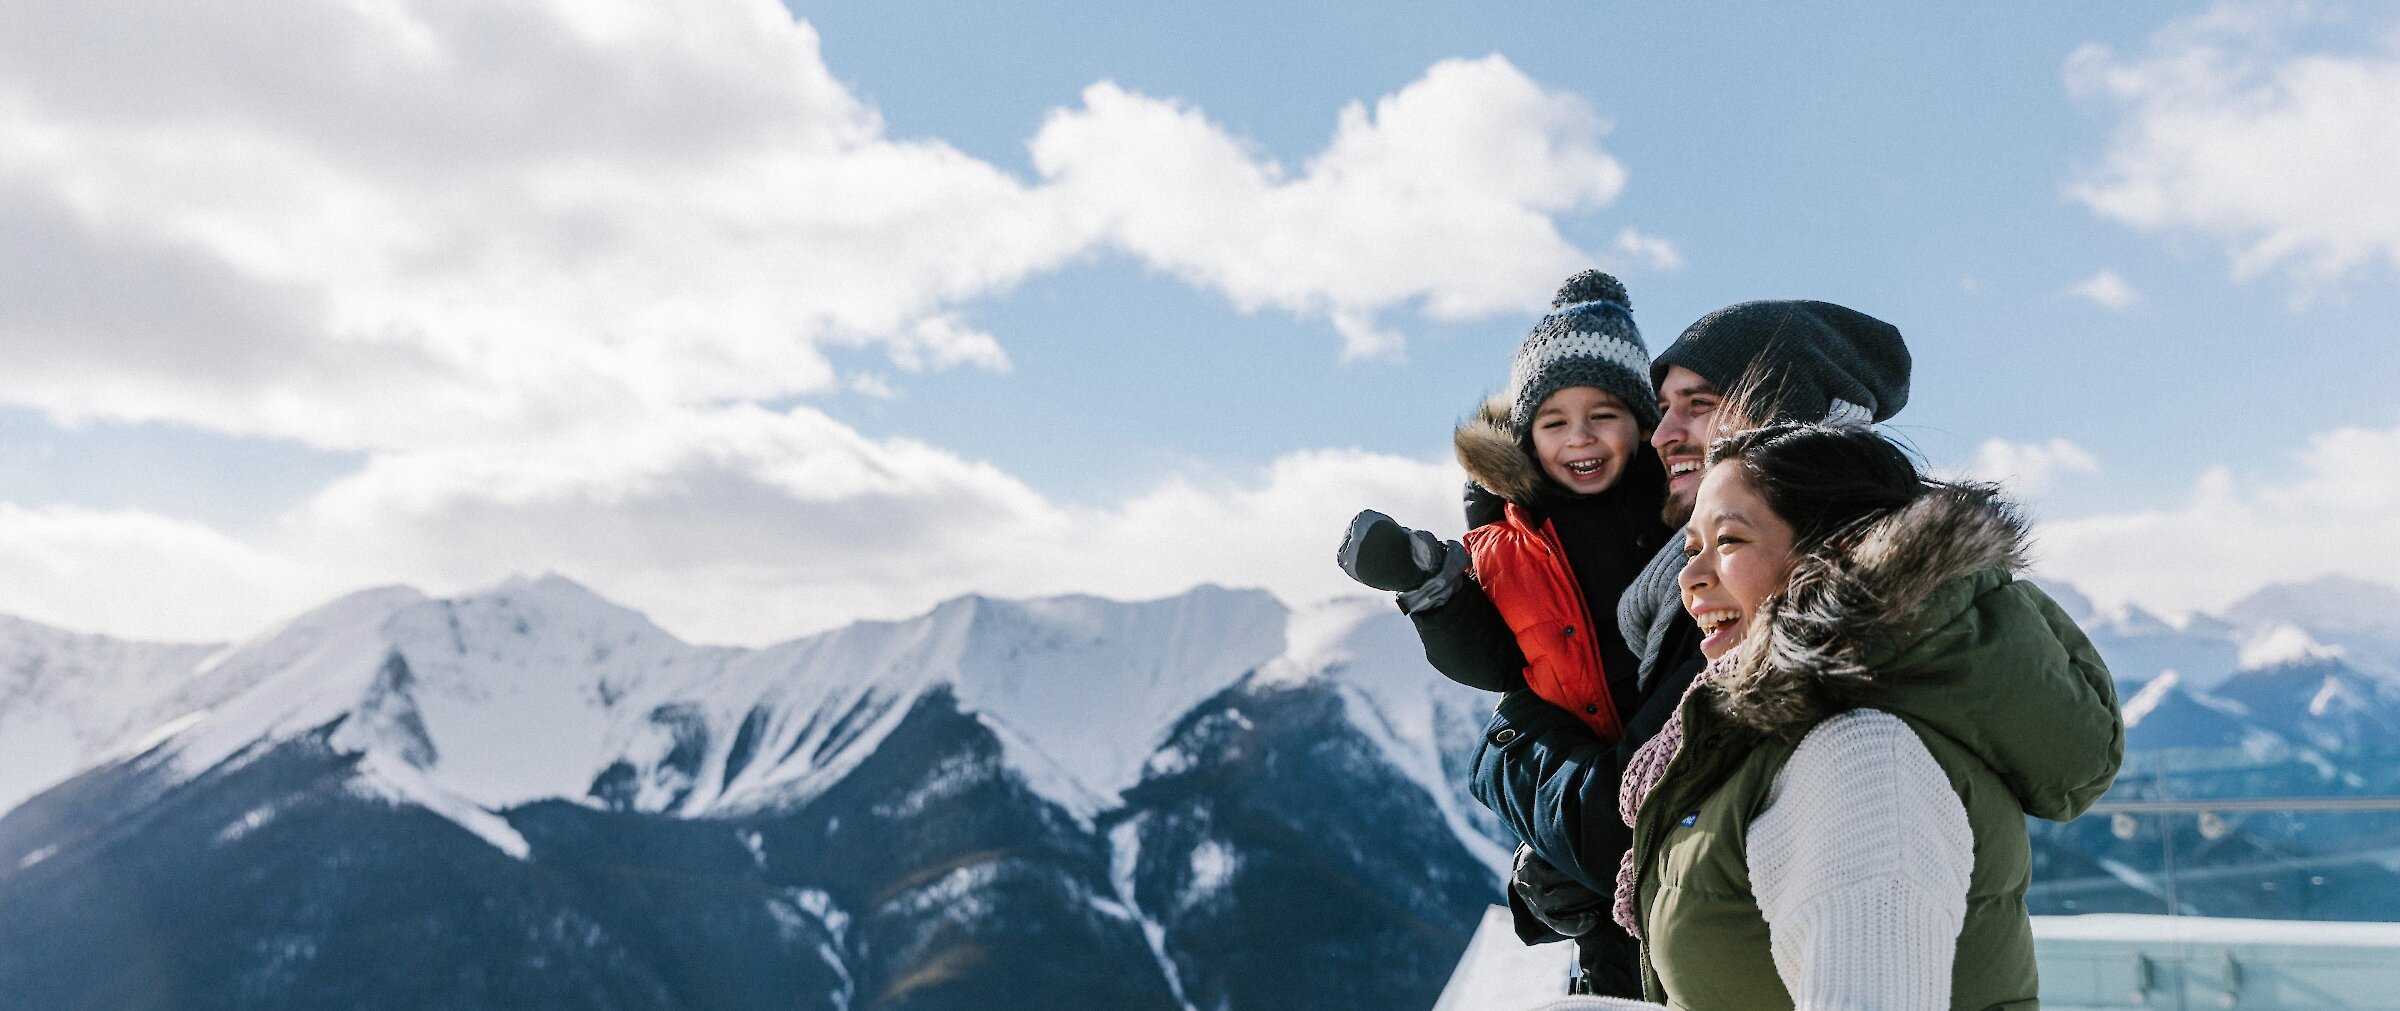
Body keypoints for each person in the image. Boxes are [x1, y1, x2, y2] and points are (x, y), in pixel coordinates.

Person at [1488, 422, 2123, 1009]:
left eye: (1729, 540)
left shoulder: (1861, 760)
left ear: (1832, 555)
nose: (1691, 578)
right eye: (1691, 547)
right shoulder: (1771, 737)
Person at [1486, 300, 1918, 994]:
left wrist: (1507, 738)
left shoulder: (1774, 597)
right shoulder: (1702, 585)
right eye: (1661, 407)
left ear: (1782, 416)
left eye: (1699, 403)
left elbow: (1621, 823)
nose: (1664, 433)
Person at [1336, 269, 1668, 996]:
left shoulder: (1676, 509)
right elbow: (1496, 661)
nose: (1580, 439)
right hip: (1587, 774)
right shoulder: (1508, 536)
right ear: (1525, 435)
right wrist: (1432, 589)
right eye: (1554, 421)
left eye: (1604, 414)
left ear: (1642, 421)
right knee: (1613, 980)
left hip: (1656, 772)